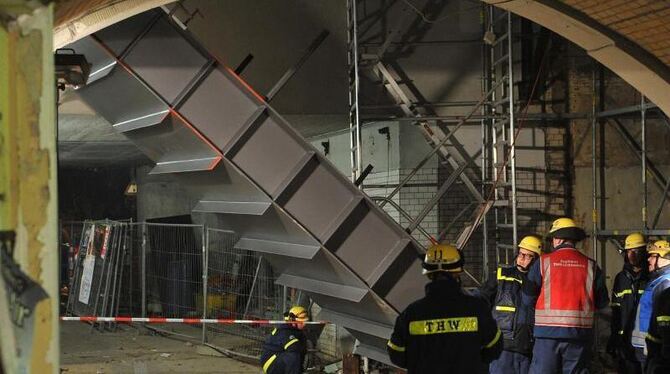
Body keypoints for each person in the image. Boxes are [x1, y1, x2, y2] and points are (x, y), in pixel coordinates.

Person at [387, 243, 503, 373]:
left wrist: (418, 363)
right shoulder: (477, 308)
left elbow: (396, 353)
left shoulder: (411, 313)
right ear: (457, 272)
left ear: (429, 275)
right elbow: (495, 347)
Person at [522, 217, 609, 374]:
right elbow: (602, 302)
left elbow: (527, 299)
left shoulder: (543, 262)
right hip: (579, 335)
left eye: (553, 238)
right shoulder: (591, 266)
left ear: (559, 239)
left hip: (547, 336)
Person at [479, 235, 543, 374]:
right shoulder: (502, 275)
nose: (522, 258)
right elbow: (480, 298)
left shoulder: (539, 283)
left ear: (536, 260)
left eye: (527, 256)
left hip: (527, 348)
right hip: (503, 347)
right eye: (520, 253)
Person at [608, 232, 649, 374]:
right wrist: (614, 338)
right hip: (625, 342)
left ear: (644, 252)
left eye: (637, 251)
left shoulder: (651, 277)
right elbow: (616, 311)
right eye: (629, 251)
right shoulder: (621, 278)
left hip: (646, 343)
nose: (632, 255)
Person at [630, 240, 670, 373]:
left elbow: (665, 322)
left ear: (664, 258)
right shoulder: (657, 281)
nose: (648, 259)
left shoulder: (665, 283)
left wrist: (662, 348)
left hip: (653, 349)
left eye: (653, 255)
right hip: (645, 345)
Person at [260, 306, 309, 374]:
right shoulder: (285, 331)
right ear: (293, 321)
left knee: (296, 353)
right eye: (301, 322)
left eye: (305, 321)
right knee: (293, 355)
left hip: (278, 357)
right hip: (270, 362)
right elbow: (294, 348)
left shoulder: (294, 330)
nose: (304, 324)